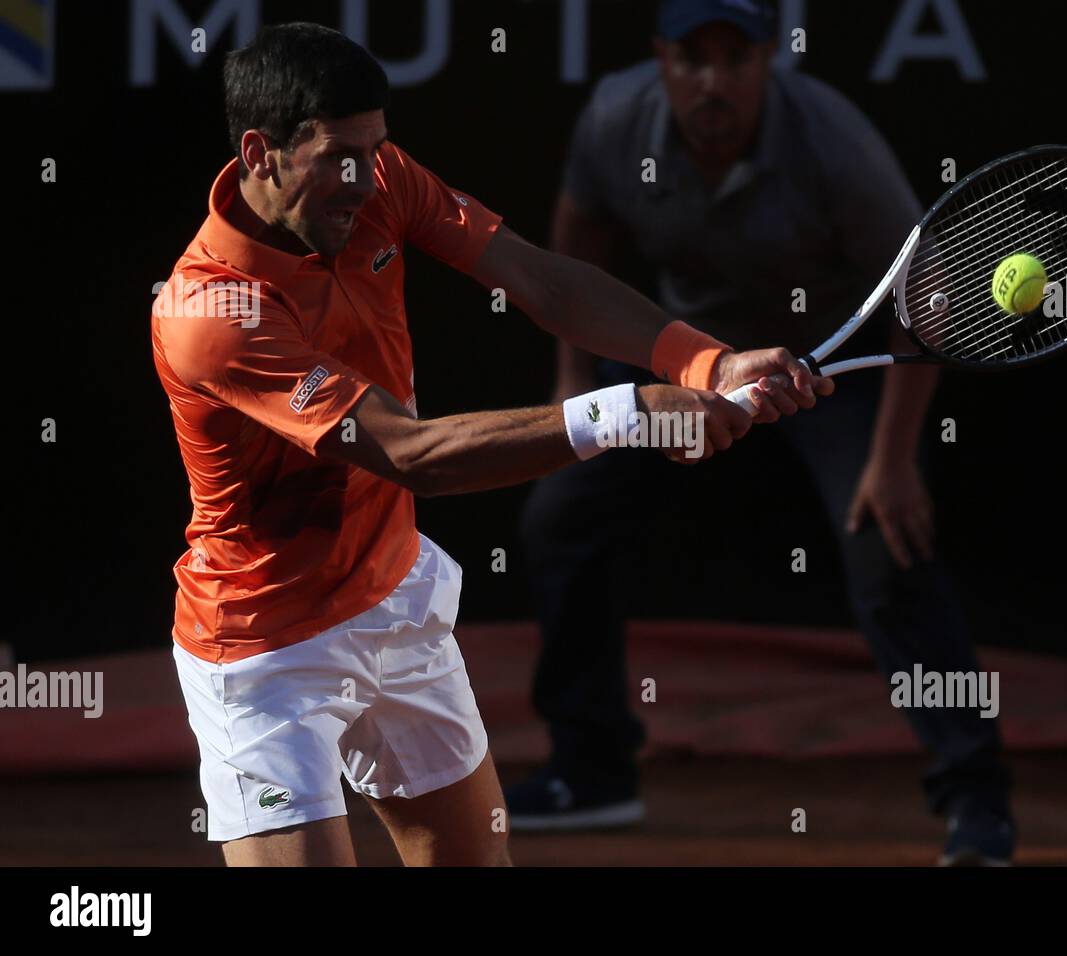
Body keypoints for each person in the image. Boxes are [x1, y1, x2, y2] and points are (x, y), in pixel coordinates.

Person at [152, 21, 828, 867]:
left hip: (393, 604)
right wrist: (634, 412)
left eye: (376, 148)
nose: (364, 180)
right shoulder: (212, 315)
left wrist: (705, 359)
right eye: (338, 158)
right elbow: (412, 454)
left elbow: (540, 280)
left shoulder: (379, 178)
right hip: (265, 650)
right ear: (260, 152)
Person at [508, 0, 1015, 865]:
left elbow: (922, 303)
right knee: (560, 515)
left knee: (887, 545)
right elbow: (575, 237)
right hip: (689, 364)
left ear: (768, 61)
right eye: (693, 58)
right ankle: (592, 773)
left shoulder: (833, 143)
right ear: (661, 57)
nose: (714, 80)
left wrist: (892, 462)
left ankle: (977, 800)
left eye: (735, 58)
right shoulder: (614, 121)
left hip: (830, 371)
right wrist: (574, 387)